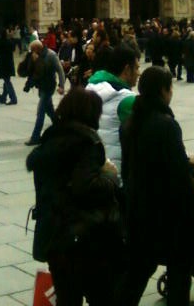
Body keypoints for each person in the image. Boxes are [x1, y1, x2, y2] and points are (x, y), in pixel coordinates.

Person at [119, 66, 194, 305]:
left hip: (140, 212)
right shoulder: (166, 125)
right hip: (169, 216)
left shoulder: (129, 123)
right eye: (170, 88)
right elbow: (179, 178)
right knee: (179, 275)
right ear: (163, 91)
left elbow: (129, 169)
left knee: (136, 275)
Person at [26, 87, 124, 306]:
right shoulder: (86, 143)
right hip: (84, 237)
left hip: (54, 236)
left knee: (68, 298)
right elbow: (86, 186)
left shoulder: (50, 140)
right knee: (103, 297)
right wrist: (109, 176)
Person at [86, 44, 140, 175]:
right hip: (118, 171)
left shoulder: (91, 87)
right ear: (127, 70)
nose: (139, 73)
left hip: (95, 167)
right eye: (137, 68)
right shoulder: (127, 99)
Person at [24, 39, 65, 146]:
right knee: (50, 110)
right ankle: (61, 127)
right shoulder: (36, 56)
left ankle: (35, 137)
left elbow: (60, 70)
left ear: (37, 49)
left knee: (40, 111)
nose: (32, 52)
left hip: (48, 86)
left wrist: (61, 85)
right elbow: (32, 71)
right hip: (41, 86)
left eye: (33, 50)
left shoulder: (51, 55)